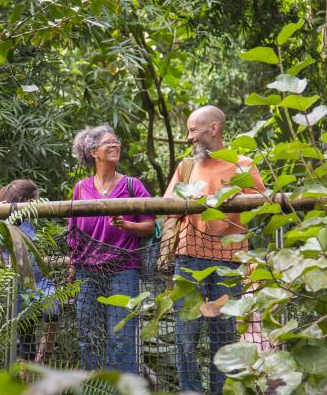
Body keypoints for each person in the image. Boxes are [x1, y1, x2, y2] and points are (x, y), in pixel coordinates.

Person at [163, 105, 266, 394]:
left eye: (193, 130)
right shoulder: (186, 167)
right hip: (188, 260)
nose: (189, 137)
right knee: (186, 337)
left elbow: (261, 203)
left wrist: (230, 198)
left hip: (227, 264)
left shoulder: (242, 164)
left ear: (214, 128)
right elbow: (167, 207)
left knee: (223, 337)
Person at [68, 124, 156, 373]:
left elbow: (149, 226)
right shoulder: (80, 188)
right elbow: (74, 232)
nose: (115, 145)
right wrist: (73, 267)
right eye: (108, 143)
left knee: (122, 337)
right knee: (88, 336)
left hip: (124, 270)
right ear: (94, 152)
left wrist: (126, 224)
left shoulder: (132, 185)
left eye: (116, 141)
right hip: (87, 272)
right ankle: (94, 389)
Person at [0, 180, 58, 375]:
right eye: (34, 200)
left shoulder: (27, 219)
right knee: (25, 342)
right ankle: (26, 385)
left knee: (53, 311)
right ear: (27, 200)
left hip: (39, 278)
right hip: (18, 283)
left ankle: (44, 355)